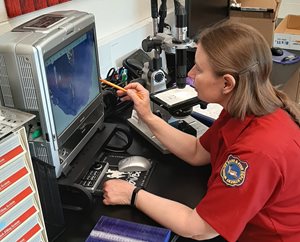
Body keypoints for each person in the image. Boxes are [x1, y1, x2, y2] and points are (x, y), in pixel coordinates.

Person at [102, 21, 300, 241]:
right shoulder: (241, 108)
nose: (191, 73)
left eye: (199, 68)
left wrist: (132, 194)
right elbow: (198, 152)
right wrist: (147, 116)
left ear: (227, 83)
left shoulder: (258, 152)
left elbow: (198, 228)